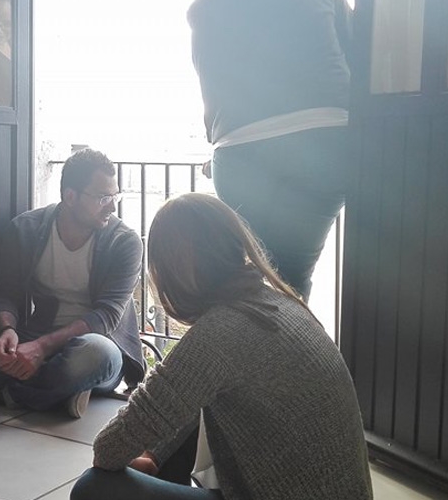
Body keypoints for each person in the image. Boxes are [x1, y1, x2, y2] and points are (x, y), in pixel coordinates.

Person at [71, 193, 373, 500]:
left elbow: (108, 449)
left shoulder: (220, 333)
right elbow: (182, 399)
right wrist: (154, 454)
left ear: (171, 271)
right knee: (185, 415)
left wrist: (142, 454)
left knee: (93, 488)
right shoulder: (276, 302)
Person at [188, 0, 353, 298]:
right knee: (293, 276)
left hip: (242, 153)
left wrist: (219, 147)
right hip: (325, 144)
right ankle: (294, 328)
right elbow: (358, 48)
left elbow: (212, 94)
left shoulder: (203, 8)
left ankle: (257, 330)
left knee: (252, 272)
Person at [0, 148, 145, 418]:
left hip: (94, 344)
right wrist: (7, 330)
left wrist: (42, 348)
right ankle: (60, 390)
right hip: (36, 335)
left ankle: (1, 392)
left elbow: (106, 316)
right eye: (103, 198)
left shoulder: (124, 242)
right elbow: (5, 292)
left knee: (97, 355)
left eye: (115, 196)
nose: (112, 206)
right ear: (70, 197)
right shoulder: (26, 229)